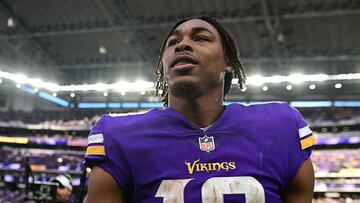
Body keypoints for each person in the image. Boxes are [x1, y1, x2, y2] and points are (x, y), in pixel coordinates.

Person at [83, 16, 315, 202]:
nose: (182, 44)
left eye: (201, 38)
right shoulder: (118, 135)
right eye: (173, 43)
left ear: (228, 62)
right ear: (163, 68)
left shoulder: (282, 125)